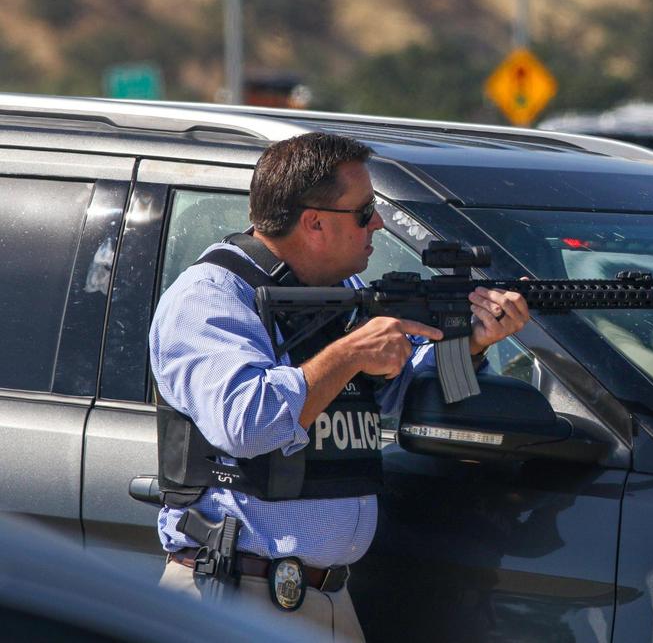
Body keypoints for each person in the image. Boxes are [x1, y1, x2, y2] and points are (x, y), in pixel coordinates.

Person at [150, 132, 530, 639]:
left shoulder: (342, 293)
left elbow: (399, 394)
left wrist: (472, 345)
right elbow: (248, 423)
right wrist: (351, 352)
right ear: (313, 222)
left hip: (325, 598)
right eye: (364, 210)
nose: (377, 223)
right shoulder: (210, 298)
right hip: (234, 593)